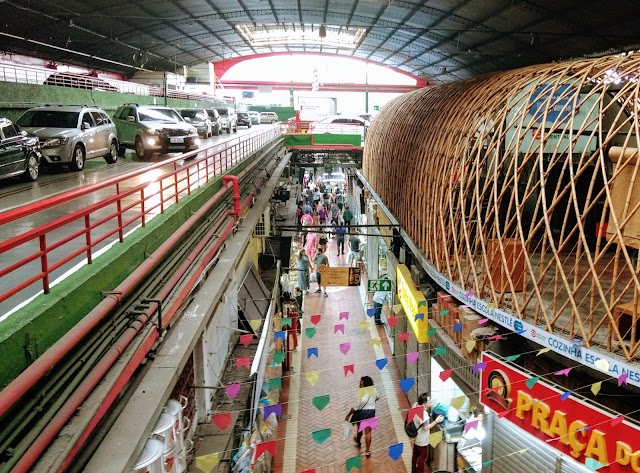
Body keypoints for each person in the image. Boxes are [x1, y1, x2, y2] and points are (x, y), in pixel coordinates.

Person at [345, 376, 379, 458]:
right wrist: (371, 403)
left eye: (361, 382)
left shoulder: (362, 392)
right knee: (368, 433)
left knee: (359, 428)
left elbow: (356, 407)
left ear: (364, 383)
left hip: (362, 413)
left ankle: (358, 441)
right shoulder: (373, 390)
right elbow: (377, 397)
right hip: (371, 412)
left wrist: (348, 415)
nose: (359, 384)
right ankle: (367, 451)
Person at [411, 394, 444, 473]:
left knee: (415, 455)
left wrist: (428, 405)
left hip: (415, 436)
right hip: (422, 440)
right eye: (429, 401)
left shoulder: (415, 405)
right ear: (424, 403)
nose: (430, 402)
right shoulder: (423, 415)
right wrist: (436, 421)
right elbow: (426, 428)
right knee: (422, 458)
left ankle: (414, 471)